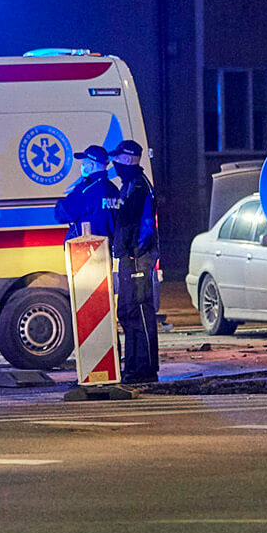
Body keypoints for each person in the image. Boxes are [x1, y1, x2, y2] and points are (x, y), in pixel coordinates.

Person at [104, 139, 160, 384]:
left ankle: (144, 369)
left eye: (117, 159)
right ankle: (134, 367)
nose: (114, 164)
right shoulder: (130, 185)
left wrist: (134, 252)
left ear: (127, 160)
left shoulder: (138, 188)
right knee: (128, 312)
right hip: (131, 258)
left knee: (138, 311)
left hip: (137, 258)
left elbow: (143, 225)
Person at [54, 145, 116, 240]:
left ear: (91, 165)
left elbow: (62, 213)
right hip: (110, 246)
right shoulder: (113, 189)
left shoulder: (87, 190)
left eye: (84, 163)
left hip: (91, 248)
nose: (82, 166)